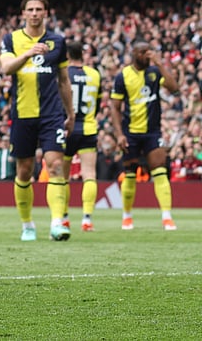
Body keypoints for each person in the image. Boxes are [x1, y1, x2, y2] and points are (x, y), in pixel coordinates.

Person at [0, 0, 74, 242]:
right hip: (22, 114)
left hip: (51, 115)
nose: (34, 13)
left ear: (46, 13)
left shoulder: (57, 41)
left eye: (38, 9)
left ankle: (56, 223)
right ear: (23, 14)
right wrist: (28, 54)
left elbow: (64, 81)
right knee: (24, 171)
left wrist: (70, 113)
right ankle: (27, 224)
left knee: (54, 166)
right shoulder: (11, 40)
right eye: (30, 9)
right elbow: (6, 68)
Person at [109, 40, 180, 231]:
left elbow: (174, 88)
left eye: (150, 51)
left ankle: (166, 217)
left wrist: (159, 63)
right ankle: (126, 216)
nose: (147, 55)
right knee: (130, 175)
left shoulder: (155, 72)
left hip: (152, 132)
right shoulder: (122, 76)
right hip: (130, 133)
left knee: (160, 171)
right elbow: (115, 108)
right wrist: (119, 135)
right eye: (143, 52)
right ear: (134, 54)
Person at [62, 41, 102, 231]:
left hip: (66, 129)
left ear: (67, 55)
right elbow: (99, 103)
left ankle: (63, 217)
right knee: (89, 175)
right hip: (88, 129)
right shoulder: (94, 74)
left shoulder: (63, 74)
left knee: (62, 177)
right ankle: (87, 219)